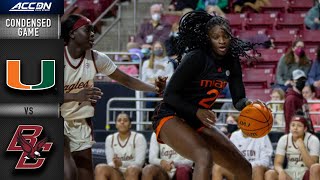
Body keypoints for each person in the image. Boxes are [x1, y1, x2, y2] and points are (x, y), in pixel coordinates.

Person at [152, 11, 266, 180]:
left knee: (244, 167)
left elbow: (238, 99)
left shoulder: (232, 60)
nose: (221, 40)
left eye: (225, 36)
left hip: (196, 121)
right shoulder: (196, 57)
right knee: (204, 156)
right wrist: (197, 111)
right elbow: (169, 95)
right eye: (216, 37)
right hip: (170, 116)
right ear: (208, 38)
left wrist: (249, 106)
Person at [61, 14, 166, 180]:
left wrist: (155, 88)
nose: (93, 33)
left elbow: (127, 80)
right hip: (55, 120)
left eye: (94, 29)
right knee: (68, 171)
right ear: (72, 33)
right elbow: (42, 95)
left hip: (80, 122)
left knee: (85, 173)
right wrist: (76, 95)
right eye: (88, 29)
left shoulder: (97, 58)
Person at [264, 114, 320, 180]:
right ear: (290, 127)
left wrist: (302, 148)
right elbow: (277, 163)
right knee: (270, 173)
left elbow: (312, 166)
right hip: (290, 172)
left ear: (305, 129)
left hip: (306, 172)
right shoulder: (284, 139)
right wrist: (281, 171)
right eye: (293, 125)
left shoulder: (313, 140)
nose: (295, 128)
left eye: (299, 126)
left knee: (315, 167)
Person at [95, 113, 147, 180]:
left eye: (125, 120)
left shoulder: (139, 137)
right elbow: (110, 162)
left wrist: (122, 163)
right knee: (100, 168)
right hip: (117, 172)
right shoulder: (110, 138)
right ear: (116, 125)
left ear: (130, 125)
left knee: (132, 169)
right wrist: (116, 164)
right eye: (119, 120)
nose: (122, 122)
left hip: (135, 172)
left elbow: (139, 163)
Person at [284, 69, 308, 133]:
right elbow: (290, 120)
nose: (302, 82)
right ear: (291, 82)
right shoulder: (291, 99)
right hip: (295, 135)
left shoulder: (303, 98)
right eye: (298, 80)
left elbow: (307, 117)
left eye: (303, 79)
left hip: (304, 133)